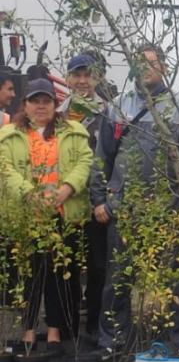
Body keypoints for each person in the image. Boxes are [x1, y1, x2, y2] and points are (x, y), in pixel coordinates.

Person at [91, 45, 179, 354]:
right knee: (118, 281)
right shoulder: (116, 108)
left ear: (165, 68)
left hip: (167, 212)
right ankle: (113, 341)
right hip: (124, 210)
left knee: (177, 281)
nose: (145, 69)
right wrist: (100, 199)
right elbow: (103, 158)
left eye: (152, 64)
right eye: (139, 64)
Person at [0, 78, 92, 352]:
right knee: (29, 276)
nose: (41, 107)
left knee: (60, 276)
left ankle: (54, 332)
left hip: (64, 216)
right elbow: (5, 169)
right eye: (35, 101)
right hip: (27, 217)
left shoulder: (73, 132)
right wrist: (30, 194)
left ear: (55, 104)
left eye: (46, 101)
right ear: (25, 105)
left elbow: (85, 162)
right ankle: (28, 331)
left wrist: (67, 188)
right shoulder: (9, 134)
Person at [59, 52, 110, 338]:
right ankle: (66, 328)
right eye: (76, 75)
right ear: (67, 79)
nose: (82, 81)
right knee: (65, 264)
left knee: (98, 267)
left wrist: (105, 197)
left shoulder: (110, 113)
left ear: (97, 77)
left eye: (87, 75)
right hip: (66, 203)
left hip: (96, 204)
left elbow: (114, 158)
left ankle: (93, 326)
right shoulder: (58, 115)